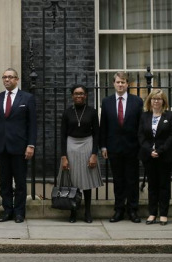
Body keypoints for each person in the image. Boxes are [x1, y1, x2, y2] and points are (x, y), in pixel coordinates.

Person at [0, 68, 37, 224]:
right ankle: (7, 211)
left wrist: (31, 145)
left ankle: (19, 212)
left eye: (10, 77)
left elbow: (32, 124)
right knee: (4, 182)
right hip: (1, 146)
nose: (7, 80)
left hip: (20, 146)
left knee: (20, 182)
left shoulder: (27, 98)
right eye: (4, 77)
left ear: (17, 79)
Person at [100, 71, 143, 223]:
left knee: (132, 180)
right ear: (114, 83)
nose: (120, 84)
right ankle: (118, 210)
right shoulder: (106, 102)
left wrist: (141, 147)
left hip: (132, 148)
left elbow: (140, 127)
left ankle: (133, 210)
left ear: (128, 84)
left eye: (123, 82)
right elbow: (103, 126)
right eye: (118, 82)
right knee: (118, 181)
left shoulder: (137, 102)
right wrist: (103, 146)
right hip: (113, 148)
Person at [60, 85, 102, 223]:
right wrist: (64, 156)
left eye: (82, 93)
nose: (79, 96)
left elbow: (97, 134)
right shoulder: (67, 112)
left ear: (86, 96)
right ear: (72, 95)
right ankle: (73, 212)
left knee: (87, 181)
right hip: (71, 145)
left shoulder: (92, 112)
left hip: (87, 145)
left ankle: (88, 212)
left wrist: (94, 154)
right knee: (73, 180)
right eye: (76, 93)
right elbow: (62, 135)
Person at [138, 89, 172, 226]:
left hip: (165, 156)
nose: (156, 101)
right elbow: (141, 136)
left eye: (159, 99)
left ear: (163, 101)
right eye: (154, 99)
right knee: (152, 186)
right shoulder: (144, 116)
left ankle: (164, 214)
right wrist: (150, 150)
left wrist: (160, 150)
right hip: (149, 156)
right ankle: (152, 213)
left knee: (164, 185)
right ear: (150, 101)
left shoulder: (170, 116)